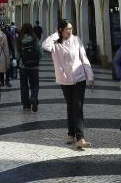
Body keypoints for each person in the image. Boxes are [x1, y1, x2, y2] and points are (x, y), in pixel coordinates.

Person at [43, 19, 94, 150]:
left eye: (71, 28)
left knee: (77, 106)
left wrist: (90, 75)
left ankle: (80, 138)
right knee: (70, 106)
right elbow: (45, 46)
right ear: (61, 30)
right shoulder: (55, 43)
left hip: (79, 78)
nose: (70, 31)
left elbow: (83, 57)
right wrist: (56, 34)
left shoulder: (76, 40)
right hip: (64, 80)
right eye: (67, 29)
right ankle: (71, 134)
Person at [17, 22, 41, 112]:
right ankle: (34, 97)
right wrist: (36, 59)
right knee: (35, 84)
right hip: (34, 66)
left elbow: (17, 55)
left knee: (24, 85)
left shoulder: (19, 39)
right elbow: (41, 52)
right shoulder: (35, 38)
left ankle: (26, 105)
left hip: (23, 66)